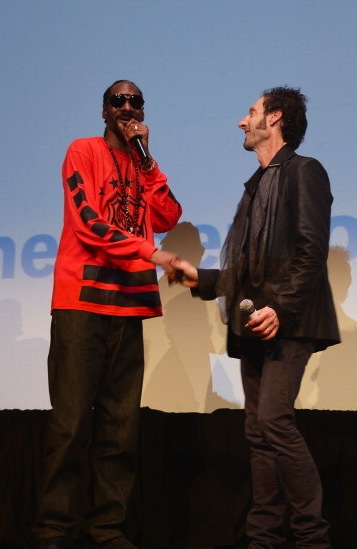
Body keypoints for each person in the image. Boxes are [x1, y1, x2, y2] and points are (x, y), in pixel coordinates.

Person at [171, 86, 340, 548]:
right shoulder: (256, 186)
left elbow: (310, 251)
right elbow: (248, 271)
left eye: (250, 112)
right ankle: (263, 538)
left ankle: (311, 538)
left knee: (274, 421)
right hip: (256, 323)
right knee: (258, 430)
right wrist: (199, 280)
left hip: (290, 321)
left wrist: (280, 309)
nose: (242, 122)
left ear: (276, 118)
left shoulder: (305, 172)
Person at [34, 79, 182, 549]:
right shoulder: (83, 151)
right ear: (103, 111)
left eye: (136, 101)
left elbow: (169, 215)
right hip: (82, 305)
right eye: (118, 100)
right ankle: (53, 531)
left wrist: (148, 161)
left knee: (120, 429)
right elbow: (89, 222)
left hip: (128, 305)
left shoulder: (141, 166)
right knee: (71, 424)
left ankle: (106, 530)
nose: (128, 106)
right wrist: (152, 255)